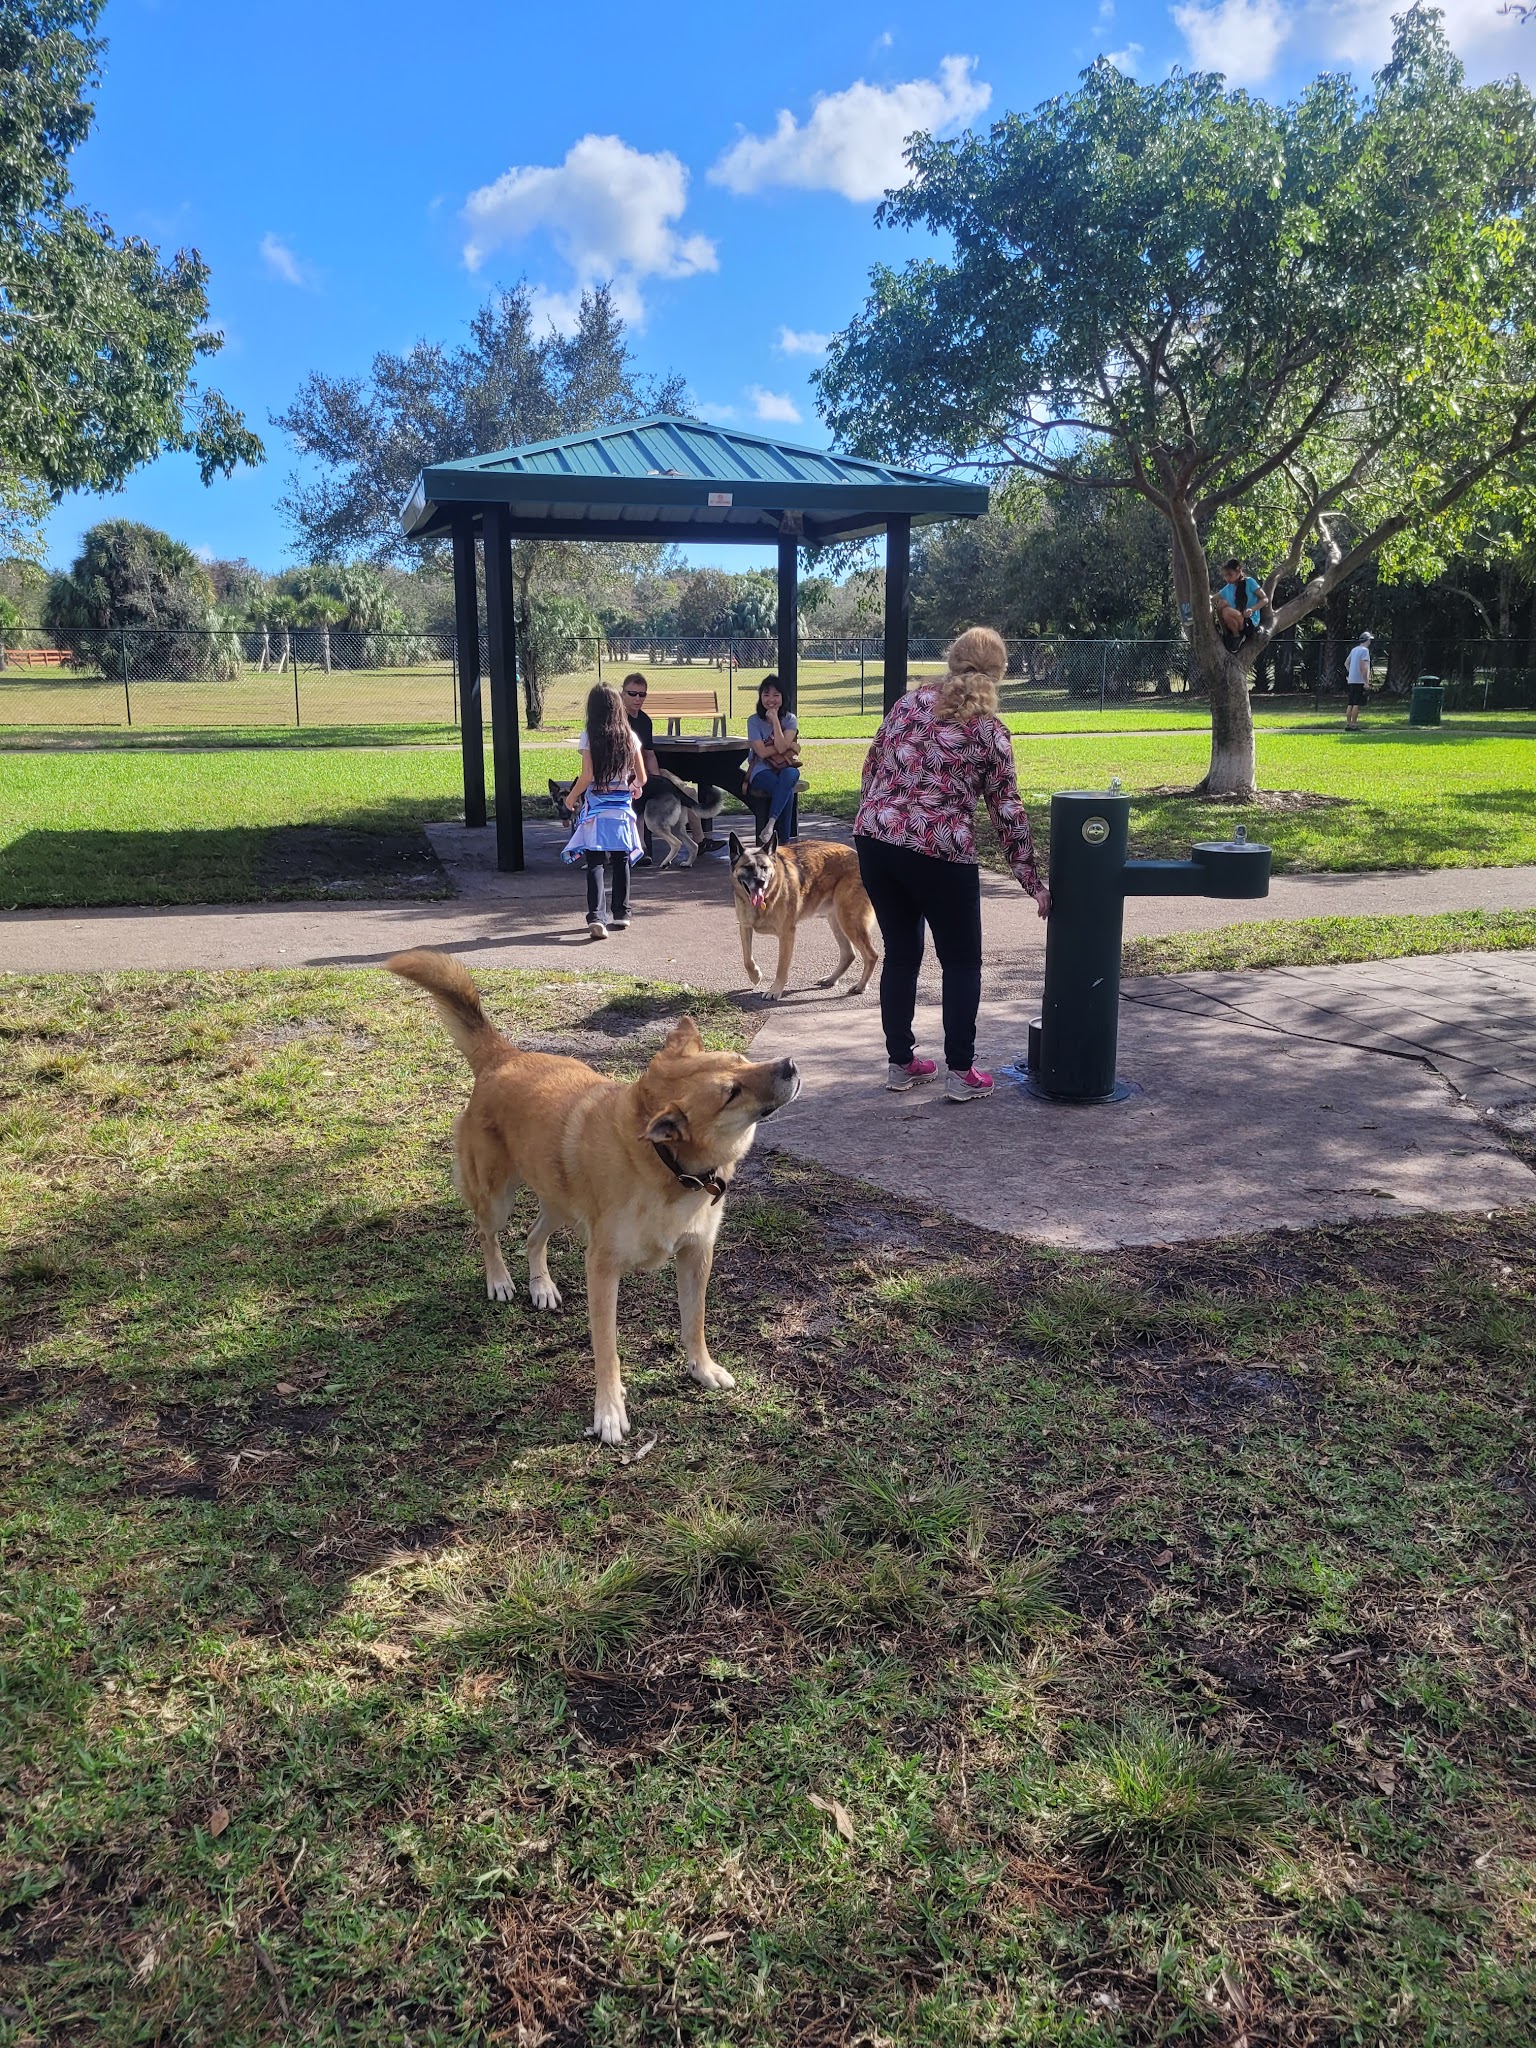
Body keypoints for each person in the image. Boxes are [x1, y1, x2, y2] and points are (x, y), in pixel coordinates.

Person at [855, 626, 1049, 1104]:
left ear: (951, 660)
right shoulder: (990, 733)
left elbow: (871, 765)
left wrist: (880, 819)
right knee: (961, 961)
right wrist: (1032, 880)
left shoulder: (908, 704)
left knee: (901, 953)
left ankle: (902, 1063)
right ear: (999, 675)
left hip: (876, 837)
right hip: (939, 849)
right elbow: (1007, 810)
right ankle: (961, 1071)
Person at [582, 672, 702, 868]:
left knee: (687, 792)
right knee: (638, 804)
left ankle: (700, 839)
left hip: (643, 773)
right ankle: (640, 849)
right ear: (622, 693)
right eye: (633, 693)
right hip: (623, 777)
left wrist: (655, 778)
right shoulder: (616, 719)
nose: (638, 698)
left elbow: (649, 754)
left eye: (642, 694)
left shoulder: (645, 720)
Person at [563, 683, 645, 938]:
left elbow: (587, 775)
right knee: (621, 860)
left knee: (596, 861)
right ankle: (621, 913)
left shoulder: (589, 735)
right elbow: (641, 776)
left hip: (596, 810)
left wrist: (571, 797)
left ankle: (597, 917)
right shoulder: (629, 736)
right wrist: (634, 787)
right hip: (621, 810)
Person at [746, 675, 801, 840]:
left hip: (784, 767)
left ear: (783, 698)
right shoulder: (753, 721)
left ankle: (770, 825)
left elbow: (781, 748)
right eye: (766, 695)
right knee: (787, 790)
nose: (771, 699)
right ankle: (783, 843)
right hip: (761, 769)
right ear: (760, 697)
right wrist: (786, 745)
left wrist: (776, 721)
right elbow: (761, 753)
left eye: (776, 695)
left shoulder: (790, 719)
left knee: (791, 774)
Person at [1214, 558, 1270, 651]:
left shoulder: (1249, 582)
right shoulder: (1228, 588)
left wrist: (1252, 609)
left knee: (1227, 611)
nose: (1227, 578)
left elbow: (1265, 599)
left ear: (1239, 571)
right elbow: (1213, 599)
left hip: (1249, 620)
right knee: (1221, 604)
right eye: (1225, 575)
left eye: (1230, 575)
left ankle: (1237, 637)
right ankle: (1228, 633)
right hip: (1236, 620)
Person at [1346, 631, 1374, 728]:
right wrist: (1366, 682)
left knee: (1350, 703)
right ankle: (1354, 724)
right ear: (1368, 640)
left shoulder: (1354, 650)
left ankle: (1348, 724)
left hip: (1351, 680)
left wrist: (1351, 672)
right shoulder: (1364, 651)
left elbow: (1346, 663)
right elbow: (1364, 666)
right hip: (1359, 680)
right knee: (1357, 703)